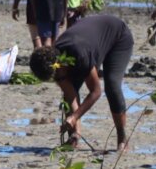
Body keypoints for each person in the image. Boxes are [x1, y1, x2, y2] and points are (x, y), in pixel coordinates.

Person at [29, 14, 134, 150]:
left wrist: (74, 117)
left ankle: (122, 139)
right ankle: (74, 139)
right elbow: (70, 95)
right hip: (92, 40)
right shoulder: (55, 63)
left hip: (118, 37)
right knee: (69, 90)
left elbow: (96, 92)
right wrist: (75, 133)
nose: (58, 80)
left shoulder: (80, 54)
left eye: (57, 75)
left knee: (112, 84)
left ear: (59, 63)